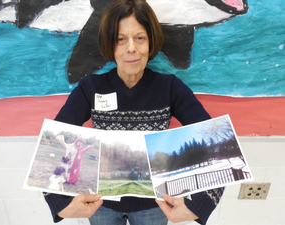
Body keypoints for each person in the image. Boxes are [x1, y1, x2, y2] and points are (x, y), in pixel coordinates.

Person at [44, 0, 224, 224]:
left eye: (140, 38)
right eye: (120, 39)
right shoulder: (90, 88)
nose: (131, 48)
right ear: (110, 44)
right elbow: (52, 143)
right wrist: (59, 203)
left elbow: (214, 142)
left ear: (151, 41)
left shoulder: (170, 88)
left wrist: (200, 204)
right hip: (100, 204)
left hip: (154, 205)